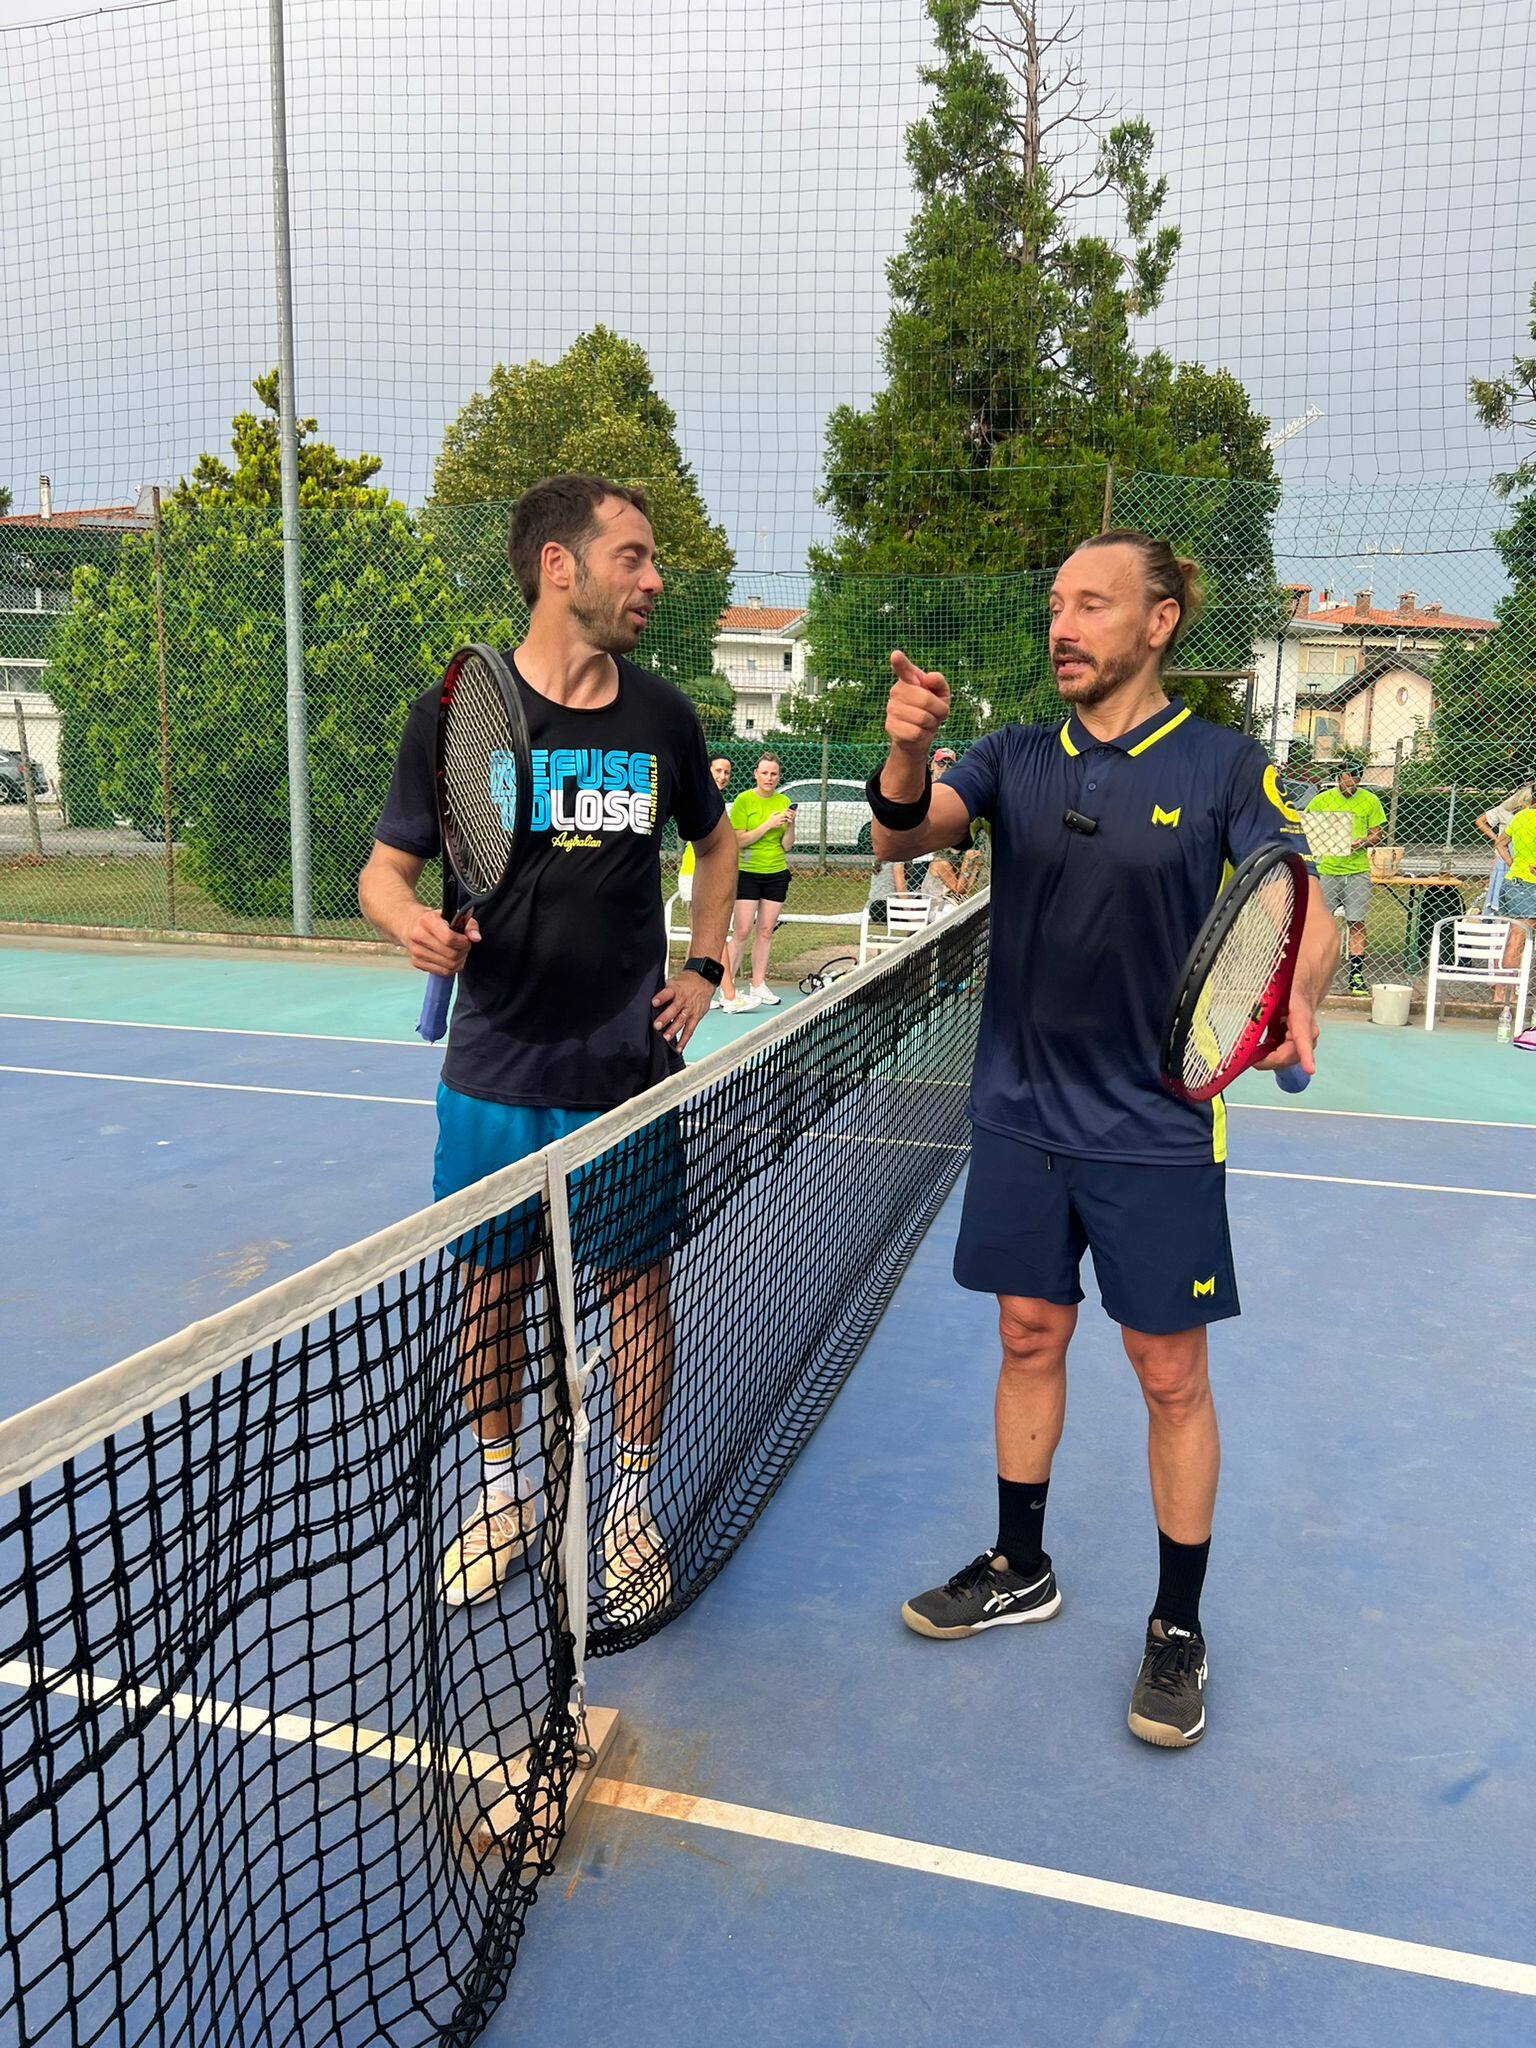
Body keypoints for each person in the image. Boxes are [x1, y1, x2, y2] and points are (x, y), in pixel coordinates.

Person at [867, 528, 1337, 1750]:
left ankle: (1178, 1624)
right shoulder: (1015, 756)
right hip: (1021, 1113)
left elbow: (1301, 902)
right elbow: (903, 835)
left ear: (1160, 620)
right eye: (1056, 603)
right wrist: (907, 751)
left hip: (1155, 1126)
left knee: (1169, 1372)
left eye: (1092, 603)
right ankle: (1022, 1560)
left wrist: (1302, 991)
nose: (1062, 624)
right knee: (1029, 1333)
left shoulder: (1228, 766)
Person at [359, 473, 738, 1621]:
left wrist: (705, 971)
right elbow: (384, 871)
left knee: (635, 1294)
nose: (654, 578)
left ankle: (623, 1507)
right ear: (559, 566)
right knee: (490, 1294)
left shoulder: (663, 716)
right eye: (633, 555)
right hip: (494, 1070)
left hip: (623, 1076)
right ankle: (498, 1492)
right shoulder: (459, 712)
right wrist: (409, 923)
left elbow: (715, 854)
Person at [1304, 762, 1385, 997]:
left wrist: (1362, 842)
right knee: (1322, 923)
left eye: (1356, 780)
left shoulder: (1369, 800)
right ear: (1340, 778)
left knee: (1356, 921)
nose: (1352, 785)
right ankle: (1316, 973)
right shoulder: (1322, 799)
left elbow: (1377, 833)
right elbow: (1307, 825)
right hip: (1328, 868)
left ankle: (1356, 975)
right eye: (1348, 779)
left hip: (1357, 870)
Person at [728, 753, 795, 1006]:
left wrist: (789, 826)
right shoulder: (743, 800)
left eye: (774, 774)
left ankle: (758, 984)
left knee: (765, 931)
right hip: (747, 872)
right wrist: (768, 824)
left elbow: (787, 846)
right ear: (756, 773)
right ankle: (728, 988)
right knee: (742, 930)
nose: (769, 778)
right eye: (765, 773)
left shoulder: (784, 800)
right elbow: (738, 840)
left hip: (776, 872)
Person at [679, 755, 745, 1011]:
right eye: (718, 770)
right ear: (707, 771)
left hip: (713, 877)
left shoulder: (721, 803)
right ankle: (729, 996)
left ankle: (692, 986)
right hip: (694, 876)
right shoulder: (697, 799)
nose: (722, 776)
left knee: (701, 937)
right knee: (714, 934)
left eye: (727, 772)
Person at [1476, 773, 1534, 913]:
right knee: (1500, 899)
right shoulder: (1507, 807)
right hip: (1507, 857)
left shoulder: (1527, 812)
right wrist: (1497, 840)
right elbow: (1480, 821)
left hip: (1522, 859)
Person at [1495, 801, 1536, 997]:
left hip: (1514, 882)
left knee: (1515, 938)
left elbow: (1500, 844)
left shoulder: (1520, 816)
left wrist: (1514, 863)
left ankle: (1502, 994)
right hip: (1530, 885)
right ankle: (1509, 995)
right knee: (1518, 939)